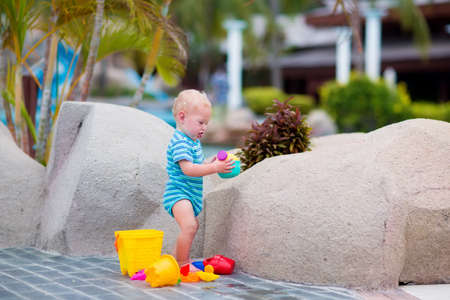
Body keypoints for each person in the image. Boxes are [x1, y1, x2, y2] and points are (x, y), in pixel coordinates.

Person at [163, 89, 234, 271]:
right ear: (182, 117)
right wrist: (214, 168)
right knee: (189, 226)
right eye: (200, 122)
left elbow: (196, 163)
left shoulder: (192, 141)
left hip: (189, 194)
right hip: (178, 194)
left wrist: (209, 162)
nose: (204, 127)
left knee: (191, 227)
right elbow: (188, 170)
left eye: (206, 123)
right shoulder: (180, 141)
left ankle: (171, 259)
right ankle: (182, 265)